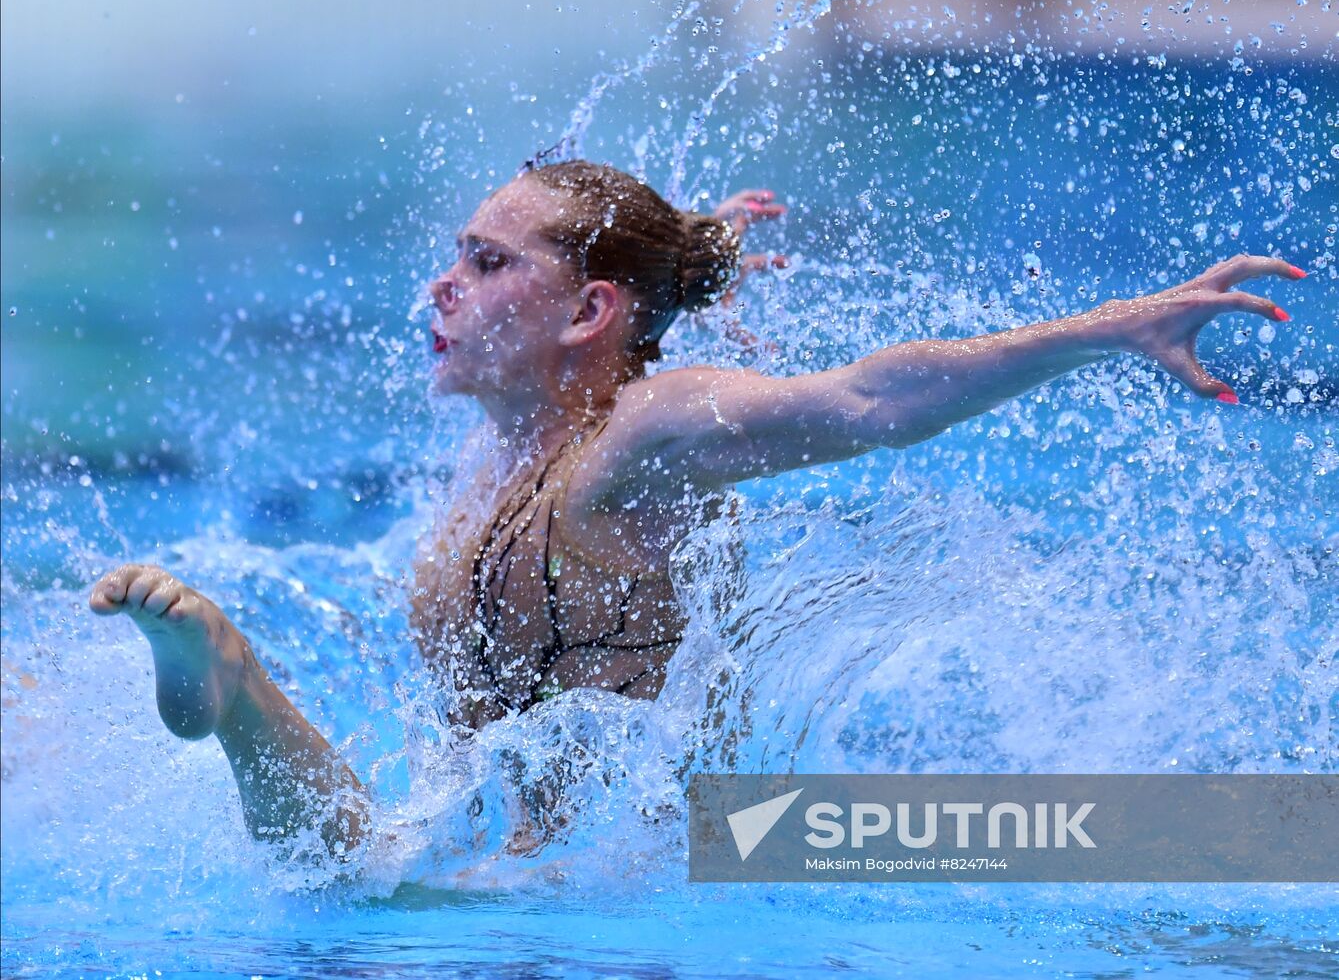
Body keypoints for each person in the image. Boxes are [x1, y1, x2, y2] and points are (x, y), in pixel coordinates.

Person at [88, 159, 1306, 856]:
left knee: (354, 889)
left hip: (653, 875)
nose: (443, 286)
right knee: (359, 872)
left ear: (586, 316)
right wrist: (693, 247)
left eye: (488, 261)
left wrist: (1114, 327)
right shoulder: (501, 444)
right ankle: (236, 692)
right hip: (500, 866)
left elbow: (875, 397)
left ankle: (238, 689)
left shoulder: (640, 435)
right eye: (459, 251)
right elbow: (622, 297)